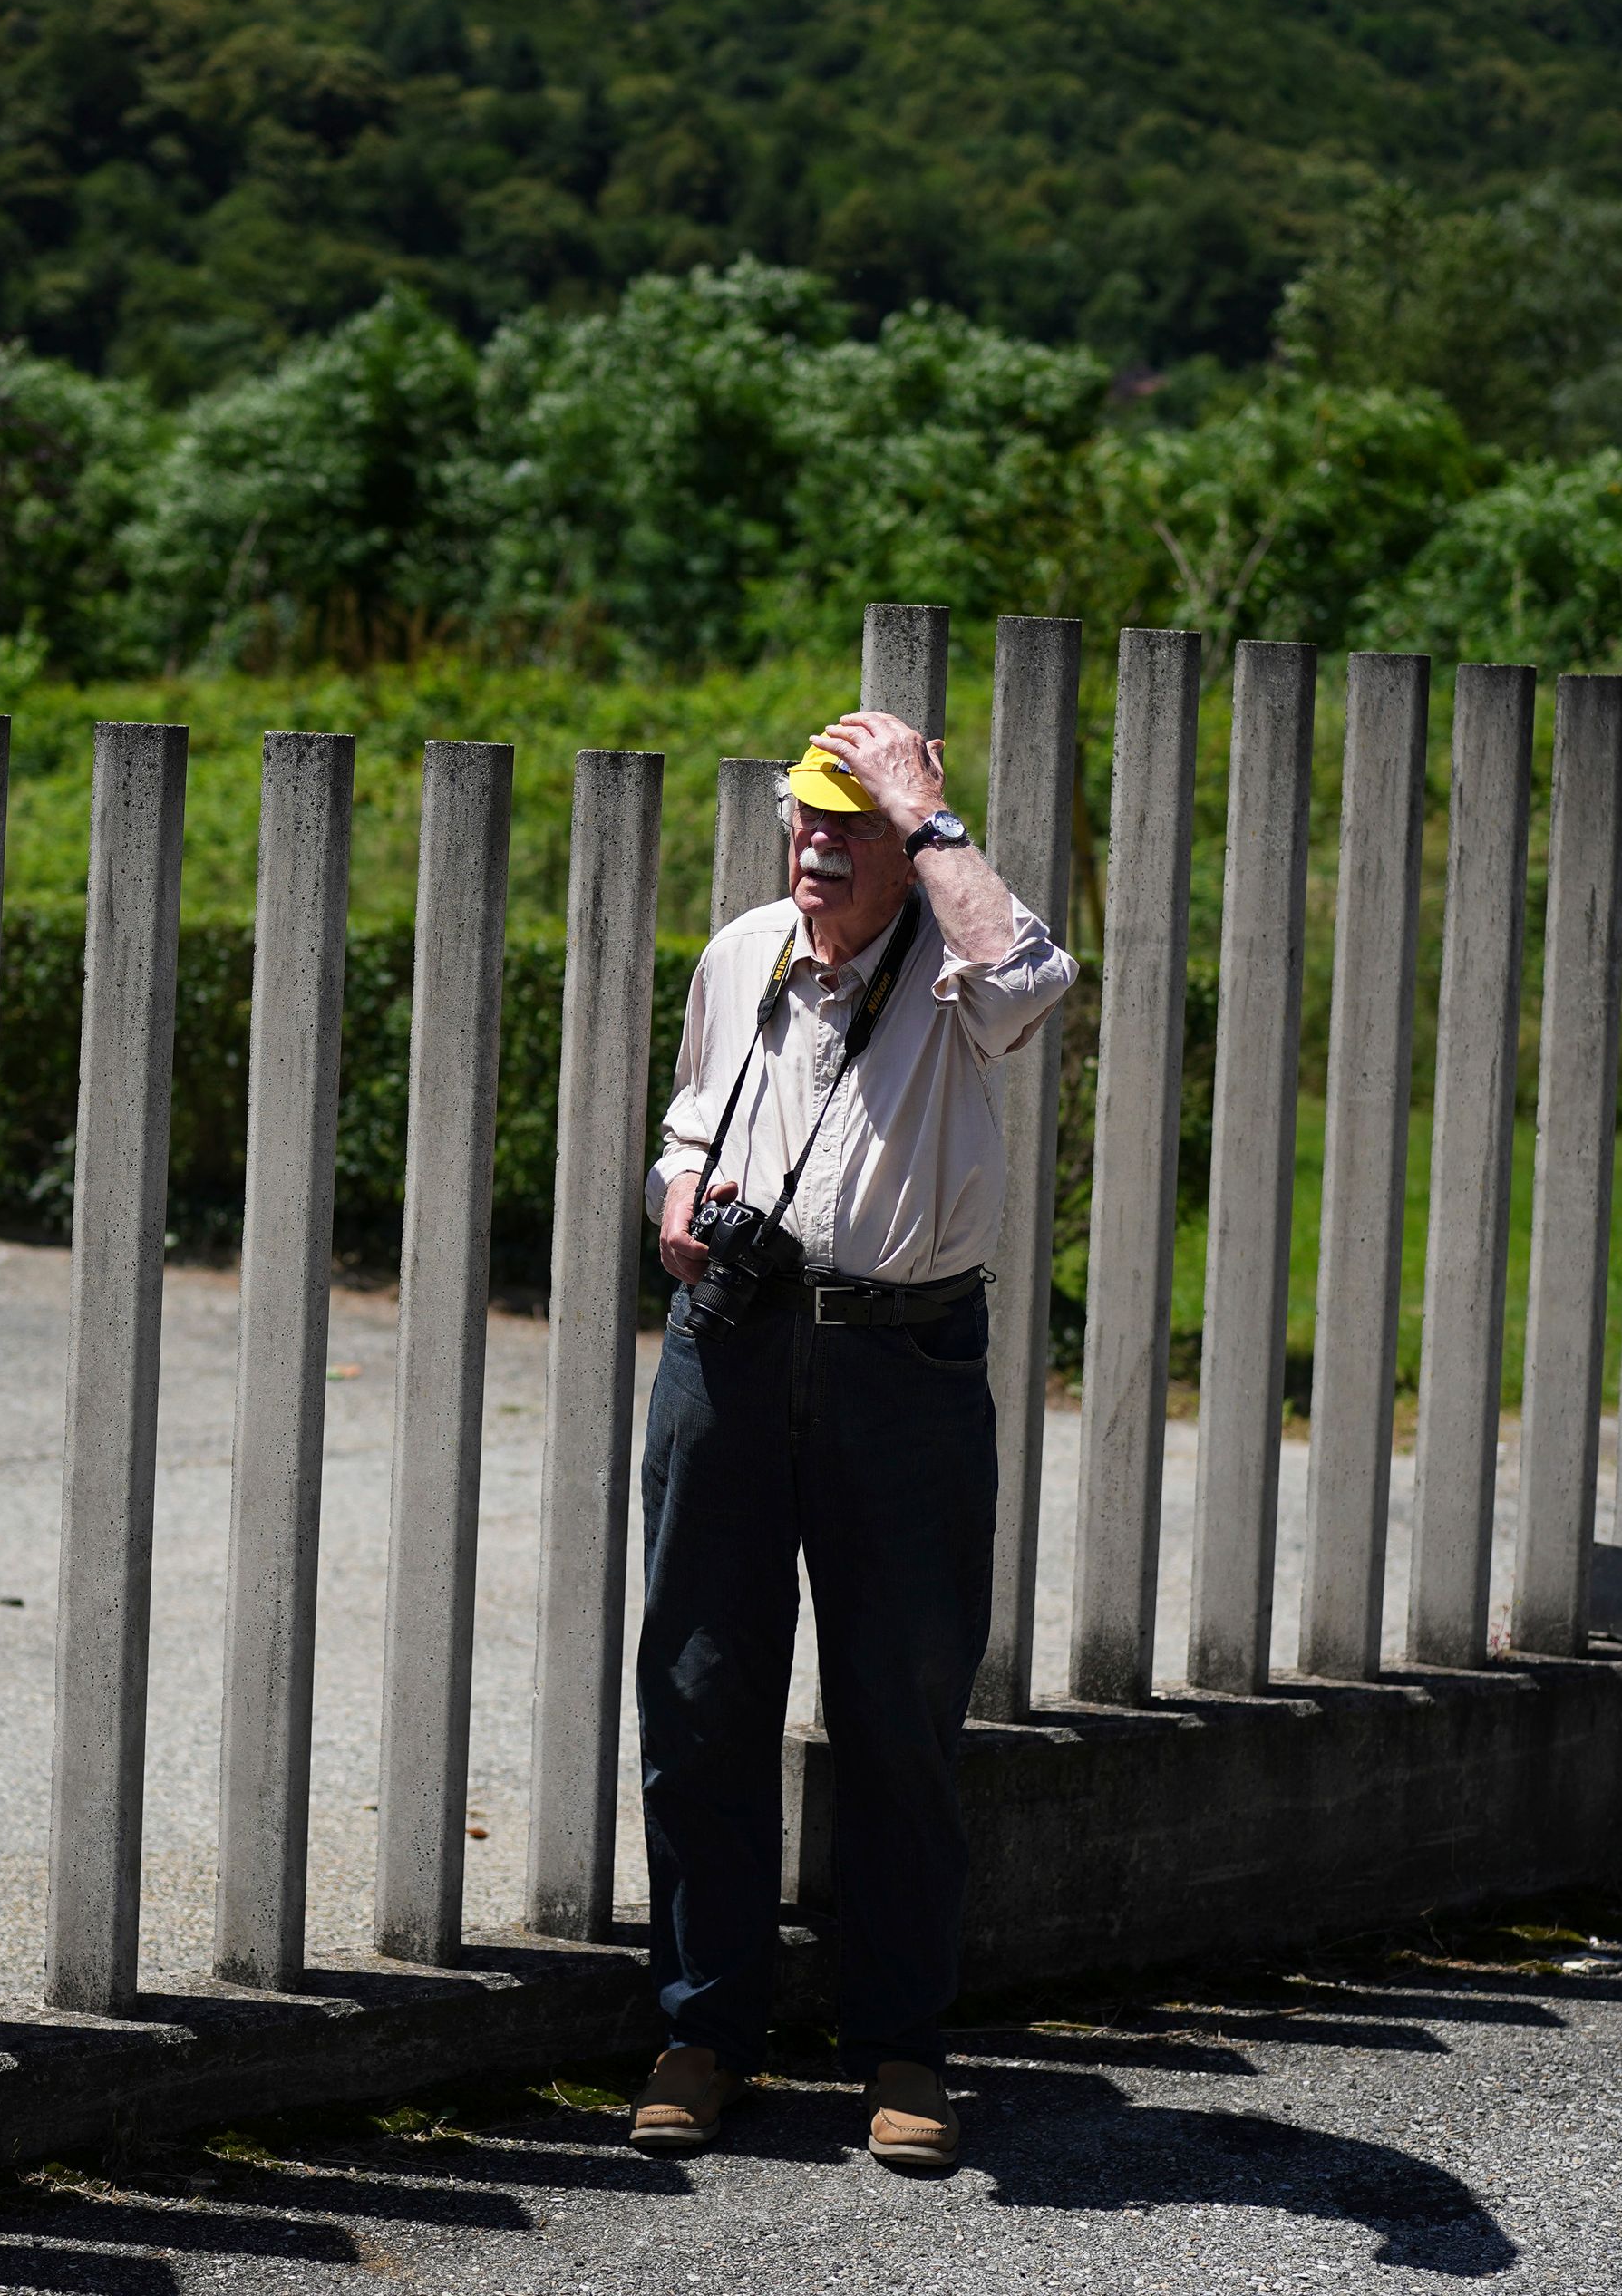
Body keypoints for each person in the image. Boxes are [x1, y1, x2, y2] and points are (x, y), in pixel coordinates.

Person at [627, 707, 1074, 2169]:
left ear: (909, 845)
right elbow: (694, 1113)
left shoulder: (957, 966)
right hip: (730, 1348)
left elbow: (1035, 974)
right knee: (698, 1692)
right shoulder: (743, 950)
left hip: (907, 1358)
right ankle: (702, 2034)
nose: (817, 845)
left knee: (901, 1713)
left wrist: (930, 811)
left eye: (851, 824)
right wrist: (678, 1201)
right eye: (807, 820)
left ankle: (903, 2050)